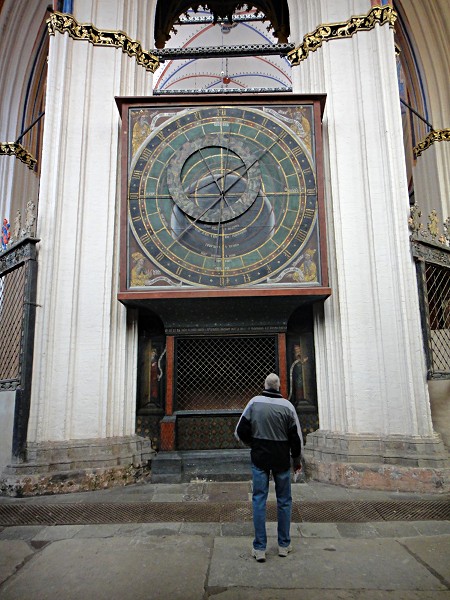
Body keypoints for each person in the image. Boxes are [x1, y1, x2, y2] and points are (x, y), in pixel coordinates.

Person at [235, 373, 302, 562]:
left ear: (264, 385)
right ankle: (283, 545)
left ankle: (260, 548)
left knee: (258, 500)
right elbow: (295, 438)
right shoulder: (288, 406)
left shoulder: (255, 403)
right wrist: (296, 460)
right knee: (284, 501)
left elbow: (240, 431)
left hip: (260, 459)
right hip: (281, 460)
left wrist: (253, 444)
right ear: (279, 386)